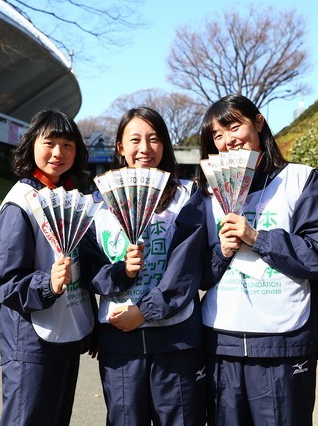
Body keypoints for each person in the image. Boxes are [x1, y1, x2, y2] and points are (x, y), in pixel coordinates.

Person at [198, 95, 318, 426]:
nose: (227, 141)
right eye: (217, 136)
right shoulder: (207, 192)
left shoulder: (300, 179)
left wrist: (258, 238)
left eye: (234, 127)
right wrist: (221, 251)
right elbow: (195, 276)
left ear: (259, 122)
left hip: (285, 344)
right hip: (221, 343)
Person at [83, 106, 207, 425]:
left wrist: (146, 311)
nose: (145, 148)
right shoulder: (97, 203)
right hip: (119, 336)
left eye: (154, 139)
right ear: (120, 148)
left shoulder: (185, 196)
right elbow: (90, 269)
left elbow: (187, 265)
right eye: (135, 139)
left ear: (164, 145)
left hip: (176, 337)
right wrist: (122, 272)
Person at [0, 108, 96, 425]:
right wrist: (47, 285)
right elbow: (4, 282)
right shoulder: (20, 202)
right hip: (30, 342)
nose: (58, 153)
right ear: (32, 143)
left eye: (68, 145)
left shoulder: (71, 197)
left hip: (66, 333)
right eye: (50, 142)